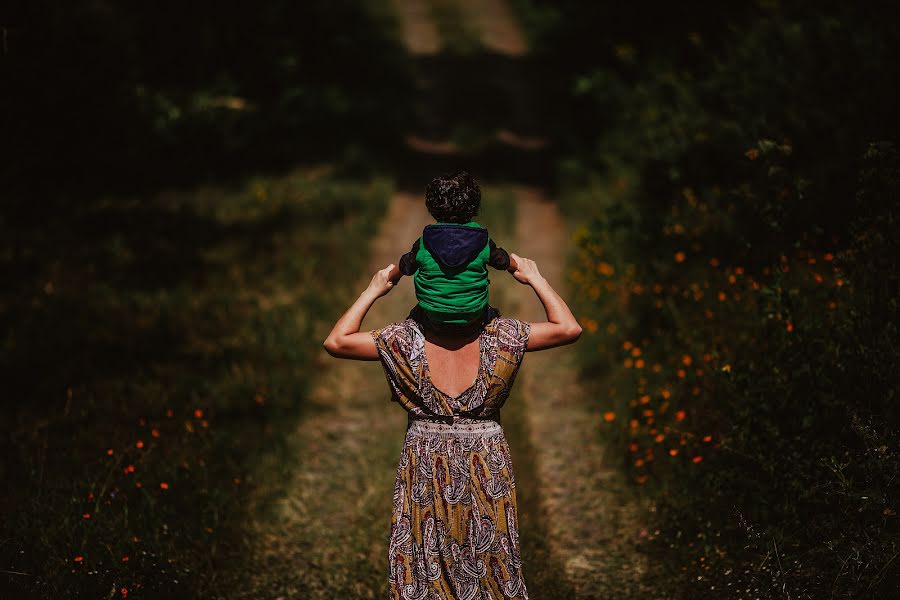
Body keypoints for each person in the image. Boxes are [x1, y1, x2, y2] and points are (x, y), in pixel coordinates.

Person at [323, 255, 581, 599]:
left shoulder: (403, 341)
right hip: (486, 461)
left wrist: (375, 288)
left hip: (424, 462)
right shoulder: (504, 337)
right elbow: (568, 328)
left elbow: (336, 341)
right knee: (490, 564)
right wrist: (534, 277)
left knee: (425, 565)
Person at [387, 171, 519, 337]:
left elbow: (406, 265)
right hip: (473, 315)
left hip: (433, 316)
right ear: (474, 205)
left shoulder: (425, 242)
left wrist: (391, 277)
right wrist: (520, 266)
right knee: (492, 314)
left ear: (432, 206)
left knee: (413, 318)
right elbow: (502, 261)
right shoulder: (481, 240)